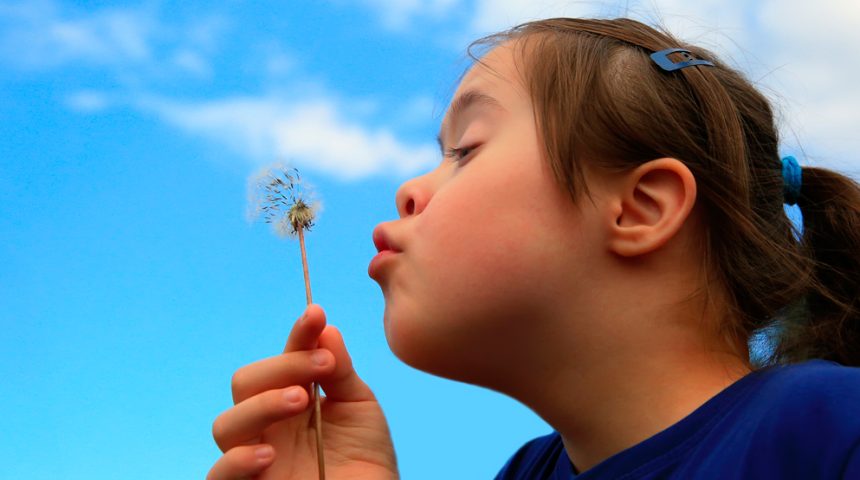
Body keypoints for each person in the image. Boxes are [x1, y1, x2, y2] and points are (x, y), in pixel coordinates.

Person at [206, 17, 860, 479]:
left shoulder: (827, 429)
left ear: (640, 208)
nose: (408, 190)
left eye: (466, 149)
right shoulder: (525, 472)